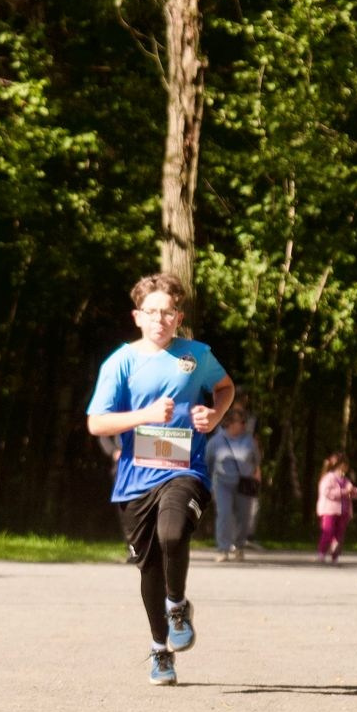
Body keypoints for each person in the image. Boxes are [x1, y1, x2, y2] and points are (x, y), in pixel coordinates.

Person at [85, 273, 235, 687]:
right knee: (148, 567)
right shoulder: (121, 362)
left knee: (173, 533)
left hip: (186, 469)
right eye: (152, 312)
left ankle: (176, 604)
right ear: (137, 317)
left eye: (168, 313)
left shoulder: (196, 355)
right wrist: (145, 417)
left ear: (179, 317)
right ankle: (159, 649)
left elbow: (224, 388)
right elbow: (97, 423)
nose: (160, 320)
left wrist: (215, 415)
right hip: (136, 480)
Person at [208, 407, 261, 562]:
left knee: (244, 518)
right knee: (224, 515)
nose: (244, 425)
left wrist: (256, 475)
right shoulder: (216, 441)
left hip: (244, 484)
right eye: (241, 422)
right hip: (222, 483)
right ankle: (223, 549)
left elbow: (256, 460)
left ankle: (239, 546)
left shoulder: (249, 441)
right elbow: (208, 462)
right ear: (230, 423)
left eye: (244, 422)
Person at [315, 453, 357, 562]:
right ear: (340, 465)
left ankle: (335, 555)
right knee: (328, 531)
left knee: (339, 533)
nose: (347, 467)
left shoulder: (345, 480)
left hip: (343, 511)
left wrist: (354, 492)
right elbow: (327, 492)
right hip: (329, 510)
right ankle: (322, 553)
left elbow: (352, 494)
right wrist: (344, 492)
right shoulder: (328, 478)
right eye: (345, 464)